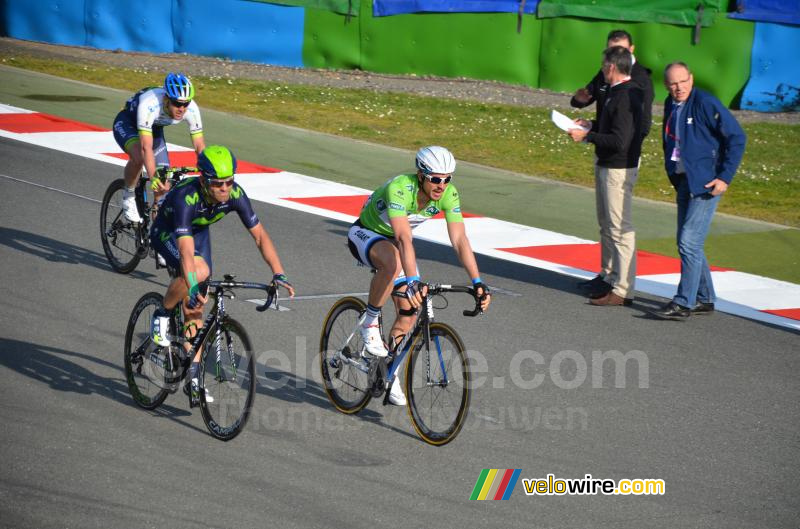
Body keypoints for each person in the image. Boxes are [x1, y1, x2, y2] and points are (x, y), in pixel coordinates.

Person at [149, 145, 295, 406]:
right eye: (218, 184)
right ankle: (162, 312)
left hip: (199, 234)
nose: (225, 189)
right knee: (198, 274)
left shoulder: (235, 195)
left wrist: (279, 272)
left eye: (230, 182)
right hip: (169, 232)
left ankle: (193, 379)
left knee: (196, 310)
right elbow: (185, 250)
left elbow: (260, 236)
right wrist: (193, 286)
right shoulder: (187, 198)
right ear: (204, 181)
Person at [347, 146, 491, 405]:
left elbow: (459, 240)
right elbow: (403, 237)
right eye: (436, 179)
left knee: (410, 312)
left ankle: (388, 373)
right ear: (421, 175)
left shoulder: (448, 194)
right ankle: (370, 321)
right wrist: (413, 280)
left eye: (447, 179)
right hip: (367, 234)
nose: (442, 185)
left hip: (398, 246)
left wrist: (477, 282)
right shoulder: (401, 188)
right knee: (393, 263)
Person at [649, 62, 746, 320]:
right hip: (684, 179)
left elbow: (737, 138)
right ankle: (704, 297)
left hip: (706, 183)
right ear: (666, 85)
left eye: (682, 81)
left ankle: (684, 303)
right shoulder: (671, 103)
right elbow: (670, 138)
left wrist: (724, 177)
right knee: (690, 242)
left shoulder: (705, 102)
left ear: (691, 78)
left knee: (688, 242)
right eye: (672, 83)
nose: (678, 87)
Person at [571, 29, 654, 298]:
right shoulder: (615, 89)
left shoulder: (631, 91)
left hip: (620, 164)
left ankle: (623, 288)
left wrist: (588, 136)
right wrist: (591, 126)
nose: (602, 70)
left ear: (612, 66)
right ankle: (608, 276)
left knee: (620, 228)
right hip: (607, 160)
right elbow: (611, 124)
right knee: (606, 223)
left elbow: (624, 137)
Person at [112, 72, 205, 223]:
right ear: (166, 99)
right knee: (139, 158)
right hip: (128, 124)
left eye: (185, 103)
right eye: (177, 103)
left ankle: (156, 230)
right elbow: (146, 148)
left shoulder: (192, 109)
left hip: (154, 130)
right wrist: (153, 175)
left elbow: (199, 145)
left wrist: (207, 169)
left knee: (163, 184)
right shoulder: (150, 105)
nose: (182, 108)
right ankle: (129, 196)